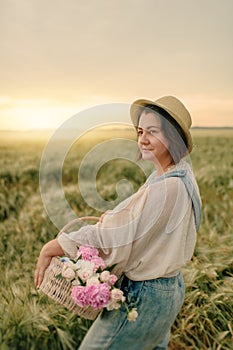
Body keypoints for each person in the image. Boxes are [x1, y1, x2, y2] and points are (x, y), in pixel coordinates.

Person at [34, 96, 202, 349]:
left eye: (152, 132)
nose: (142, 139)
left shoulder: (169, 186)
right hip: (168, 290)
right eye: (140, 131)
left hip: (145, 296)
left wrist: (55, 246)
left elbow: (113, 235)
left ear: (173, 137)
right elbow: (139, 223)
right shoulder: (178, 175)